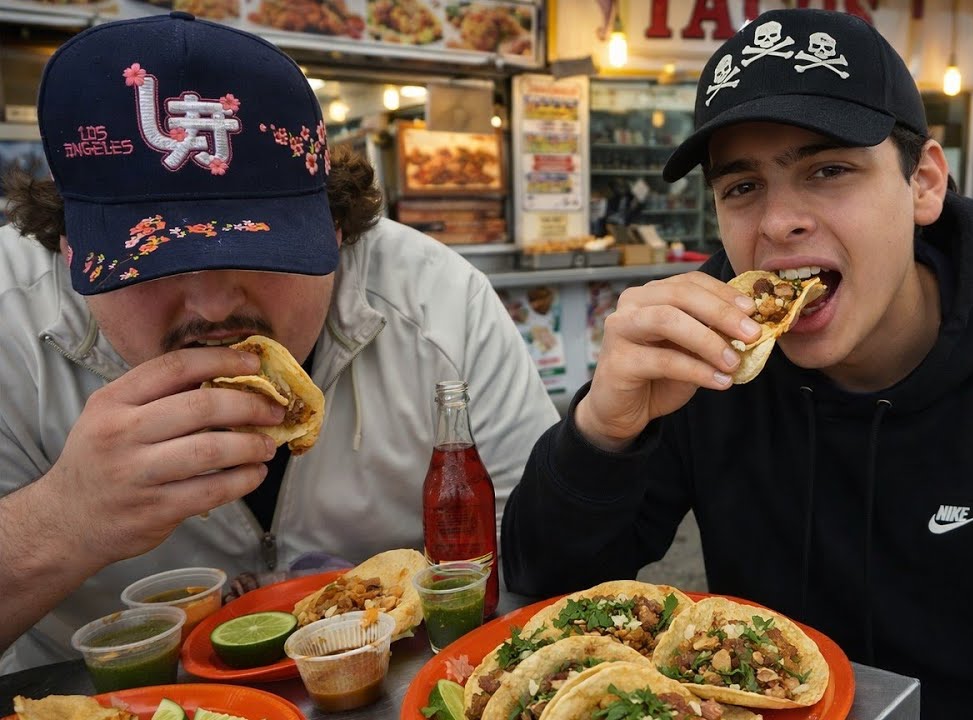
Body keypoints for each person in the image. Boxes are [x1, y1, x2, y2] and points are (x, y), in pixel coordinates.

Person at [501, 8, 973, 717]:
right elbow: (546, 589)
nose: (779, 221)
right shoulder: (707, 360)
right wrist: (604, 429)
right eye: (742, 186)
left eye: (828, 170)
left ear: (924, 182)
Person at [0, 12, 558, 671]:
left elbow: (544, 565)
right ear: (69, 249)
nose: (212, 306)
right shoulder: (11, 326)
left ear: (335, 231)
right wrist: (60, 522)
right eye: (147, 261)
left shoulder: (437, 303)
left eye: (256, 249)